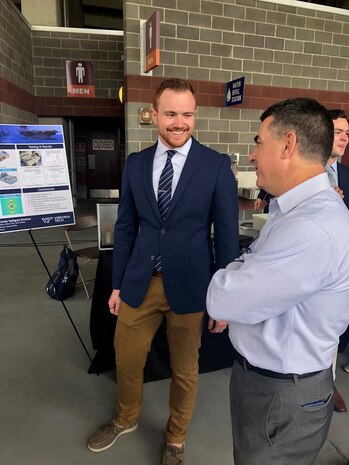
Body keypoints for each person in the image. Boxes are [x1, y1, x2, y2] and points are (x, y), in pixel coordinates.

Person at [87, 78, 239, 465]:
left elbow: (225, 237)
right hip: (140, 282)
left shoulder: (216, 166)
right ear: (154, 115)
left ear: (194, 116)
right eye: (170, 113)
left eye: (187, 114)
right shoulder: (136, 164)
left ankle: (175, 438)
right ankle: (126, 418)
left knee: (186, 370)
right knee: (127, 358)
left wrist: (221, 300)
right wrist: (118, 284)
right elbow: (124, 228)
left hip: (190, 287)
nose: (179, 122)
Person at [207, 97, 349, 465]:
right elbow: (250, 267)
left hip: (282, 394)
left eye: (258, 142)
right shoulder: (295, 210)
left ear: (287, 144)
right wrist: (245, 268)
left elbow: (223, 299)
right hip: (269, 383)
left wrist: (234, 272)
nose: (253, 156)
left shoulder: (312, 228)